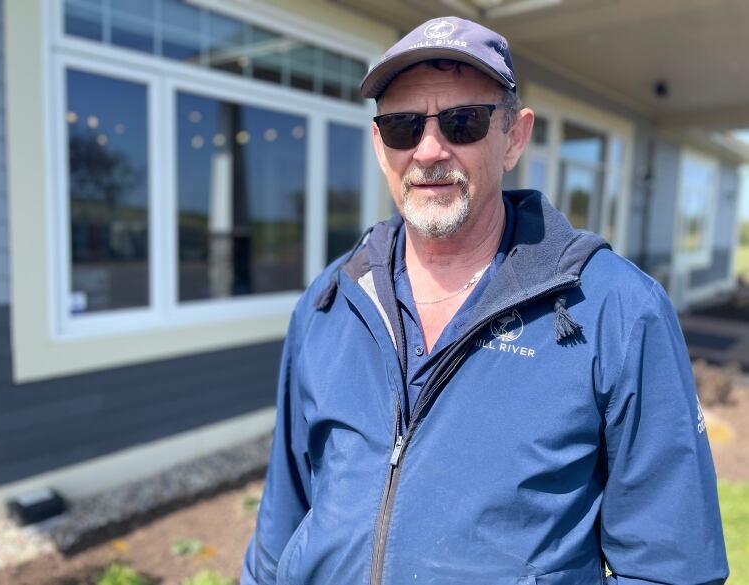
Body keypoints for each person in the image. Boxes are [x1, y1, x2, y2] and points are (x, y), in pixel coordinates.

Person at [241, 16, 728, 585]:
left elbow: (672, 568)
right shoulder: (330, 304)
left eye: (462, 122)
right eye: (402, 126)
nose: (428, 150)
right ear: (380, 144)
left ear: (514, 137)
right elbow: (280, 531)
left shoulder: (616, 309)